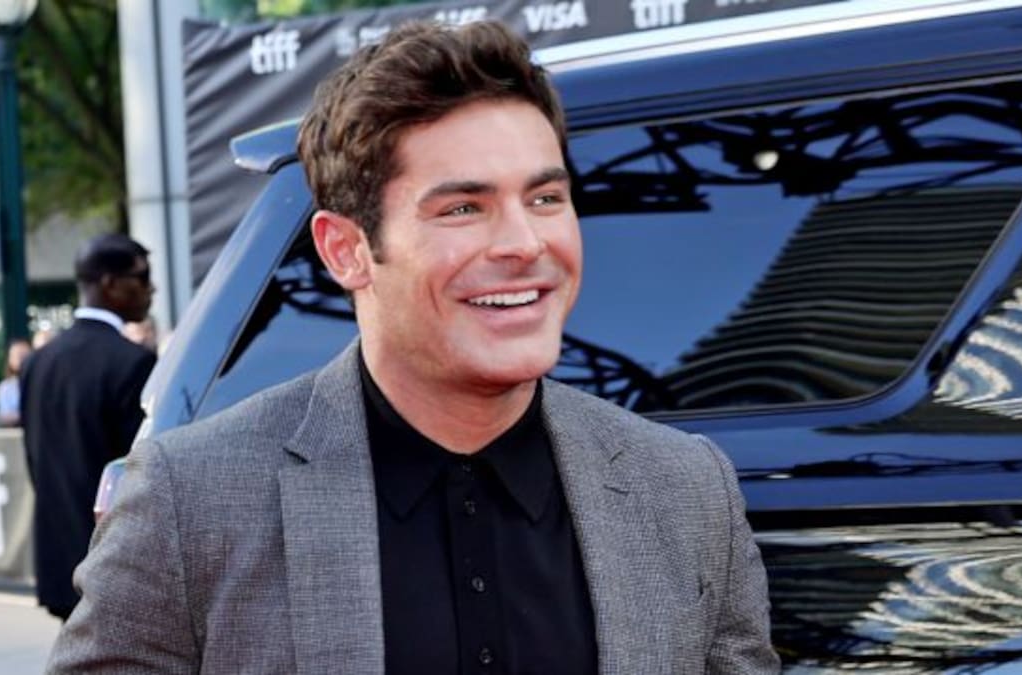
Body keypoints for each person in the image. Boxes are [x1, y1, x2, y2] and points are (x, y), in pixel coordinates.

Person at [47, 21, 778, 673]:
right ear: (346, 250)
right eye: (463, 208)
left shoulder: (685, 490)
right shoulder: (190, 500)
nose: (525, 243)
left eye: (545, 198)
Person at [21, 233, 156, 621]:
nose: (151, 289)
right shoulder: (131, 362)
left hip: (58, 559)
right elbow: (138, 473)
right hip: (114, 561)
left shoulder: (38, 362)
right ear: (110, 283)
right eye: (142, 277)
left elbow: (35, 460)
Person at [0, 339, 32, 427]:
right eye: (16, 356)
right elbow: (4, 417)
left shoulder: (41, 383)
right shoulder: (5, 387)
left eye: (23, 355)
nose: (20, 359)